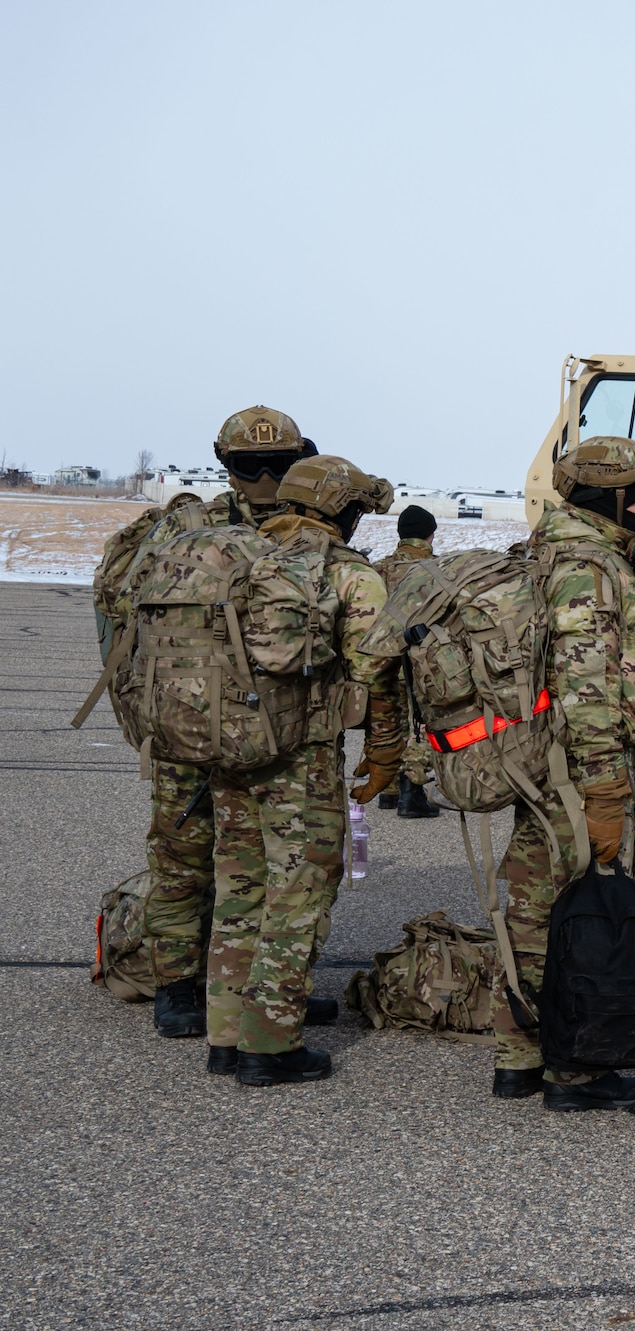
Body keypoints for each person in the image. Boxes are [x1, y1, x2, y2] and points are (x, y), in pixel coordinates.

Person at [87, 406, 317, 1040]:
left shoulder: (182, 532)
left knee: (222, 859)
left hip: (214, 723)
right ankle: (182, 984)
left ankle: (240, 989)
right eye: (259, 465)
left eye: (277, 465)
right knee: (209, 858)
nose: (267, 476)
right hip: (231, 724)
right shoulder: (294, 535)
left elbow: (120, 617)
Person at [204, 456, 405, 1085]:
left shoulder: (237, 558)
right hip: (301, 759)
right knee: (298, 897)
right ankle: (270, 1046)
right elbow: (378, 675)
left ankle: (225, 1034)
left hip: (227, 754)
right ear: (341, 509)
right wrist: (385, 754)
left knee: (240, 893)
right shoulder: (346, 575)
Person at [486, 436, 635, 1110]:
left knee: (534, 907)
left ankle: (519, 1056)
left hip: (544, 764)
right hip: (577, 771)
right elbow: (588, 684)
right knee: (577, 913)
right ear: (604, 495)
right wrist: (604, 786)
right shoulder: (589, 567)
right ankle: (575, 1071)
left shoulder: (550, 548)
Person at [371, 504, 440, 818]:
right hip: (420, 659)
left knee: (388, 722)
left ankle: (387, 791)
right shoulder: (437, 570)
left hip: (383, 658)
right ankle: (411, 792)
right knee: (420, 723)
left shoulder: (380, 569)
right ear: (430, 534)